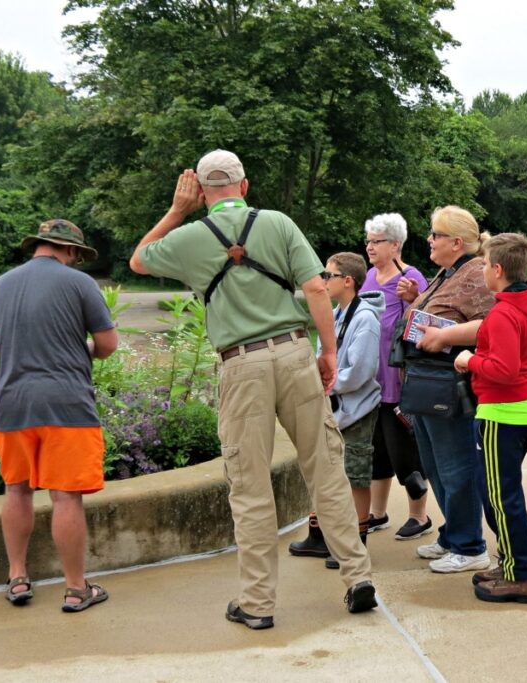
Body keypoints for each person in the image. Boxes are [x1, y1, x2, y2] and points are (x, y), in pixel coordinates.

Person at [129, 149, 376, 629]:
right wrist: (328, 352)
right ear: (244, 186)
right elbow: (317, 288)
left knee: (250, 485)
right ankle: (358, 576)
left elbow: (138, 260)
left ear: (202, 193)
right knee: (326, 469)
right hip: (293, 353)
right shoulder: (278, 223)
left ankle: (258, 603)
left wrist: (178, 211)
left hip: (241, 366)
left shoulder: (190, 236)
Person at [0, 219, 118, 613]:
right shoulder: (81, 284)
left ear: (38, 245)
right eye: (76, 255)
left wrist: (19, 346)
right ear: (69, 249)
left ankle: (17, 577)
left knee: (17, 489)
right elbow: (107, 344)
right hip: (66, 406)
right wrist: (78, 348)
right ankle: (75, 589)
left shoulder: (2, 284)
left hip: (12, 404)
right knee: (65, 496)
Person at [453, 233, 527, 604]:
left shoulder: (501, 313)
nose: (482, 269)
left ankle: (522, 575)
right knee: (501, 493)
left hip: (502, 413)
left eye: (484, 264)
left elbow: (504, 369)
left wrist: (470, 360)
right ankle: (512, 561)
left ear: (497, 269)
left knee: (501, 498)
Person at [395, 205, 495, 573]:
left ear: (456, 242)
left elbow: (492, 325)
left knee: (457, 466)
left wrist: (445, 335)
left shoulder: (478, 273)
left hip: (450, 386)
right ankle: (454, 533)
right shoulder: (449, 271)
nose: (429, 240)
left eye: (436, 234)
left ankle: (470, 546)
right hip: (427, 383)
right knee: (436, 466)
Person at [288, 252, 384, 570]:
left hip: (356, 411)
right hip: (334, 405)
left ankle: (356, 543)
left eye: (328, 276)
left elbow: (360, 372)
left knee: (355, 475)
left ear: (348, 281)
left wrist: (325, 382)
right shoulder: (335, 313)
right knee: (323, 470)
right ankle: (318, 536)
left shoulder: (366, 319)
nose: (323, 281)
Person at [359, 213, 433, 540]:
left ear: (395, 245)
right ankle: (378, 512)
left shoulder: (410, 277)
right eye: (368, 241)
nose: (370, 247)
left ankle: (419, 516)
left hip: (398, 380)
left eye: (377, 241)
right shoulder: (369, 276)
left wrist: (413, 298)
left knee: (405, 449)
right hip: (371, 381)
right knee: (377, 449)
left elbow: (426, 321)